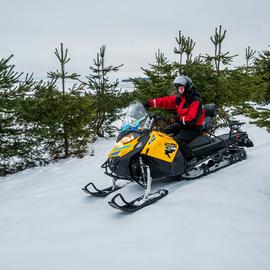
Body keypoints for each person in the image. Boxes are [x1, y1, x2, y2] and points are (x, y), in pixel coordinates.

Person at [143, 75, 205, 160]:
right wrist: (149, 103)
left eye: (182, 88)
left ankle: (191, 159)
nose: (180, 90)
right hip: (182, 125)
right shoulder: (181, 99)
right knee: (161, 133)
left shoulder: (195, 101)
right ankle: (163, 157)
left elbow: (192, 119)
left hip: (193, 127)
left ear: (187, 88)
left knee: (177, 141)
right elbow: (166, 101)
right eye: (179, 88)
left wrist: (177, 119)